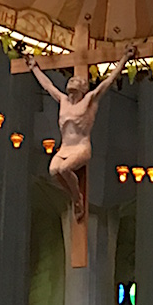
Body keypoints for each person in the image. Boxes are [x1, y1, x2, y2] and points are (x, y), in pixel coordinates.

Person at [24, 45, 135, 220]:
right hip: (65, 147)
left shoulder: (89, 100)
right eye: (70, 81)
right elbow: (47, 85)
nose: (71, 83)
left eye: (76, 82)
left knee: (65, 168)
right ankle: (73, 195)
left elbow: (106, 83)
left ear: (83, 87)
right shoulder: (62, 100)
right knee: (54, 170)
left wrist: (123, 60)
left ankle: (77, 199)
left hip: (81, 147)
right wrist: (34, 67)